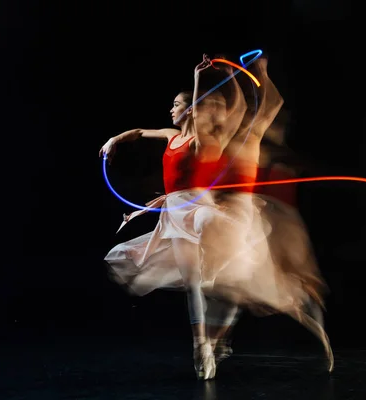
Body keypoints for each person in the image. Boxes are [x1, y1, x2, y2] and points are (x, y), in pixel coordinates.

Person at [99, 54, 333, 380]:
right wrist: (115, 139)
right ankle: (203, 344)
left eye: (178, 104)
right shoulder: (171, 134)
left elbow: (238, 109)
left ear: (191, 109)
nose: (172, 109)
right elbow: (141, 131)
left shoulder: (204, 141)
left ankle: (212, 343)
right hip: (175, 212)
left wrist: (209, 77)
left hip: (200, 211)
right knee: (195, 280)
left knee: (222, 284)